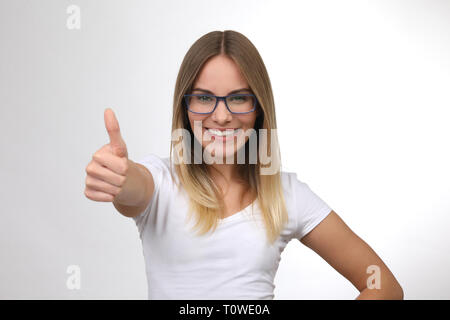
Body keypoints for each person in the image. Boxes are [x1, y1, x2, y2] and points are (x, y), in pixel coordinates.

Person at [84, 30, 403, 300]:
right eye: (204, 98)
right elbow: (135, 188)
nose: (221, 116)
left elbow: (382, 285)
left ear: (259, 107)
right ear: (185, 106)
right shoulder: (161, 180)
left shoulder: (287, 194)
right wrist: (120, 180)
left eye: (238, 98)